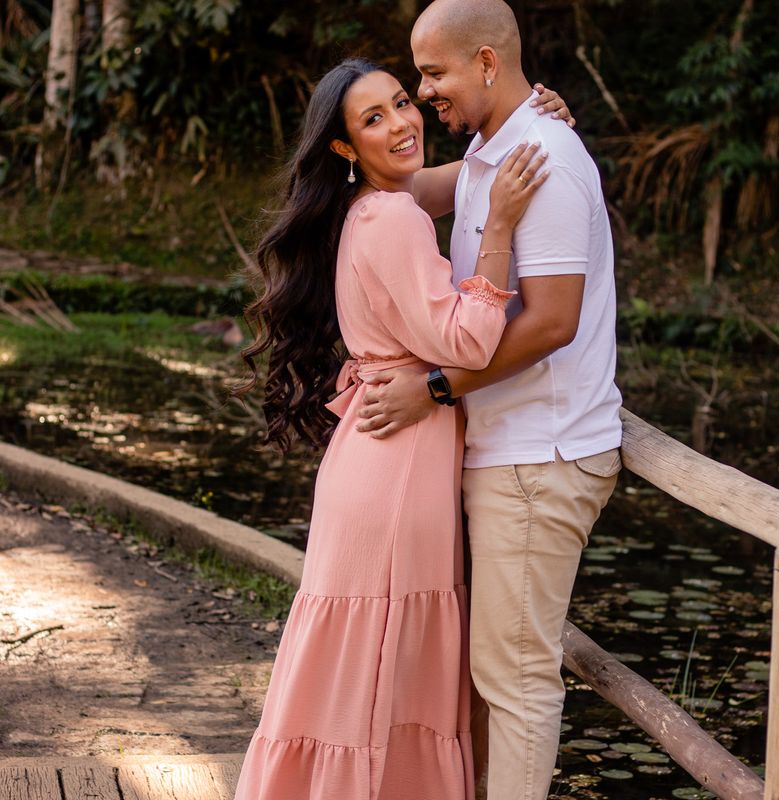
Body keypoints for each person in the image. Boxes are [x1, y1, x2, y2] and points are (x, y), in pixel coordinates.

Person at [232, 57, 569, 800]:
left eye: (399, 103)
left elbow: (463, 174)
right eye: (373, 119)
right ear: (345, 149)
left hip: (374, 454)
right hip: (397, 469)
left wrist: (529, 120)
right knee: (385, 673)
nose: (402, 122)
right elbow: (468, 341)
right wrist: (502, 230)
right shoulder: (392, 217)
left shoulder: (374, 205)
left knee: (356, 669)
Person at [355, 2, 624, 798]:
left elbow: (550, 323)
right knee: (485, 670)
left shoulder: (545, 156)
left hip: (541, 456)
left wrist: (432, 389)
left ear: (485, 62)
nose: (421, 90)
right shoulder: (488, 152)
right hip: (503, 452)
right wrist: (349, 145)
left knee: (515, 679)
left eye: (432, 74)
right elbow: (389, 182)